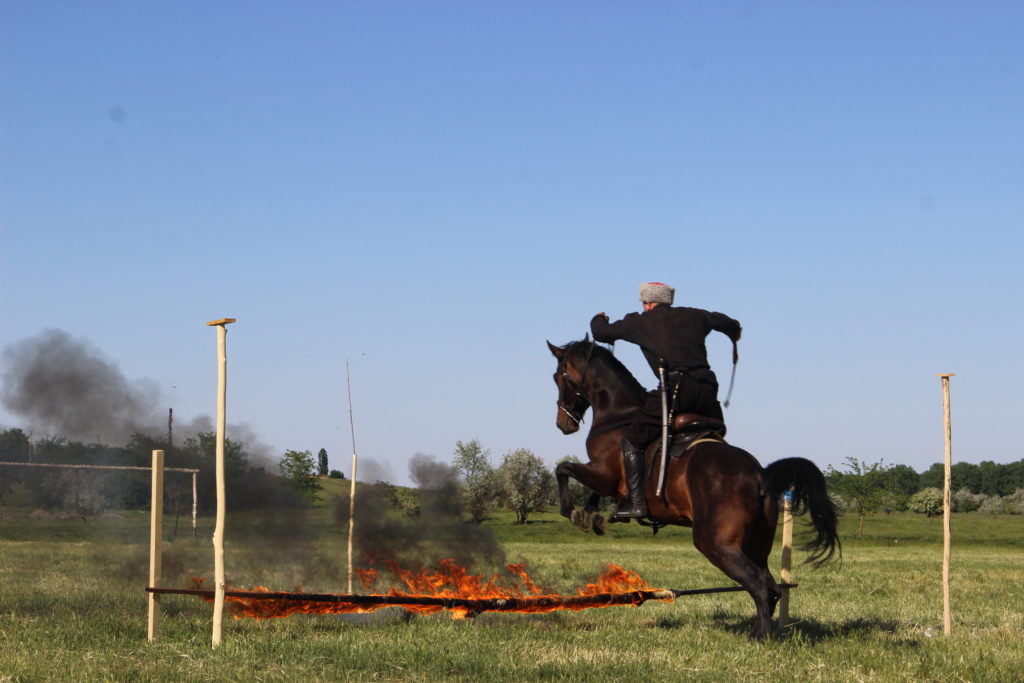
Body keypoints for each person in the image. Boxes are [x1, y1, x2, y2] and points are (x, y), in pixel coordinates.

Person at [591, 282, 741, 521]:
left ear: (648, 303)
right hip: (707, 390)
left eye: (643, 303)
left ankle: (636, 503)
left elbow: (601, 333)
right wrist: (734, 330)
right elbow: (722, 321)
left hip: (675, 390)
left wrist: (598, 318)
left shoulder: (639, 322)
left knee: (631, 441)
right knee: (715, 430)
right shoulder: (695, 315)